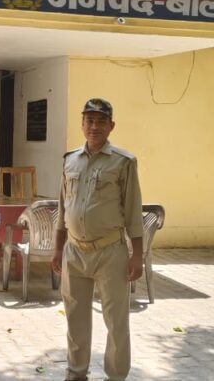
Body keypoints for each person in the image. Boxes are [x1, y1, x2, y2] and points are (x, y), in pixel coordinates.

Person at [52, 98, 144, 381]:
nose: (94, 126)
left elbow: (133, 211)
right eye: (89, 121)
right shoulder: (70, 160)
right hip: (74, 252)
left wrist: (137, 255)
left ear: (111, 126)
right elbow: (63, 208)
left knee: (116, 321)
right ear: (82, 124)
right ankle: (76, 373)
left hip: (110, 251)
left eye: (101, 121)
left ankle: (115, 375)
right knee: (75, 318)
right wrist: (57, 249)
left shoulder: (123, 162)